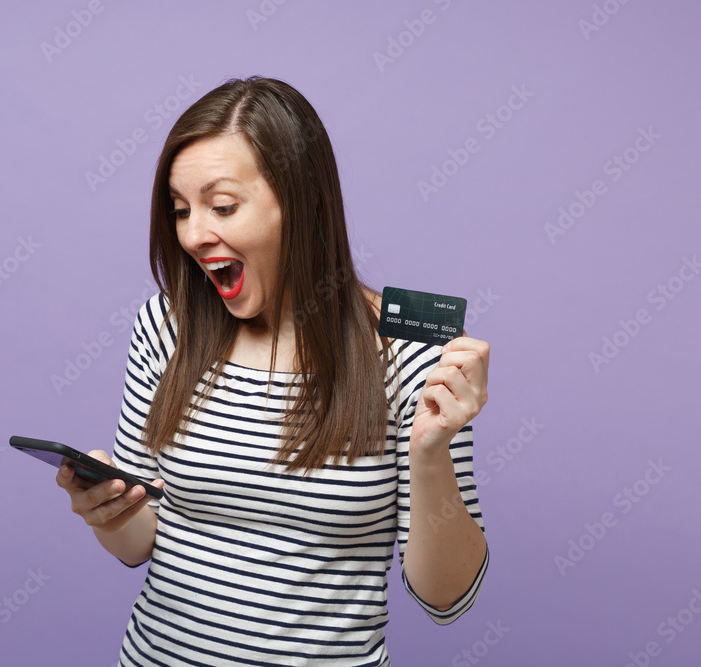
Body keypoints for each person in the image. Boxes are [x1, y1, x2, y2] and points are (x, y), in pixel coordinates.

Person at [56, 76, 490, 666]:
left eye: (223, 206)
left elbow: (446, 600)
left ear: (302, 199)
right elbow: (142, 542)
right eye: (181, 210)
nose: (193, 234)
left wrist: (431, 452)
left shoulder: (407, 352)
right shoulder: (167, 325)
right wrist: (104, 511)